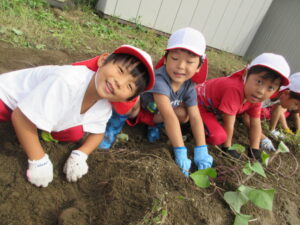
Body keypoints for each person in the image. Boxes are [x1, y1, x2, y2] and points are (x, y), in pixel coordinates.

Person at [0, 45, 155, 187]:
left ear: (128, 99)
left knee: (75, 133)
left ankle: (42, 128)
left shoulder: (104, 106)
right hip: (6, 100)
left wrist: (81, 154)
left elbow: (98, 133)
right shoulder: (67, 81)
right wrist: (38, 159)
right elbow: (20, 117)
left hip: (31, 109)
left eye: (129, 86)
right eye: (120, 71)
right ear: (102, 61)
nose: (119, 82)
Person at [99, 27, 212, 176]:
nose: (181, 66)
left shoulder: (189, 86)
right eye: (175, 58)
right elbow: (169, 116)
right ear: (165, 59)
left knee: (185, 114)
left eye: (190, 62)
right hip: (140, 112)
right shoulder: (160, 79)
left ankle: (154, 127)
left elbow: (196, 117)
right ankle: (112, 129)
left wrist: (201, 149)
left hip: (157, 116)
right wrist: (180, 151)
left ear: (198, 67)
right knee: (130, 102)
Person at [195, 53, 290, 160]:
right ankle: (189, 125)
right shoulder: (234, 89)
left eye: (270, 88)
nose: (261, 91)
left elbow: (255, 124)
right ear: (245, 74)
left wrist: (255, 149)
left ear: (276, 91)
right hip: (196, 105)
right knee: (218, 137)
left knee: (219, 131)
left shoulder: (255, 97)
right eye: (259, 82)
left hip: (211, 110)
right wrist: (227, 148)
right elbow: (229, 123)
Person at [244, 72, 300, 151]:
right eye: (296, 104)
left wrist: (272, 130)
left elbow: (276, 110)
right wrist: (263, 137)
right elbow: (247, 119)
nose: (295, 108)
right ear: (287, 93)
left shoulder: (281, 95)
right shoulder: (265, 93)